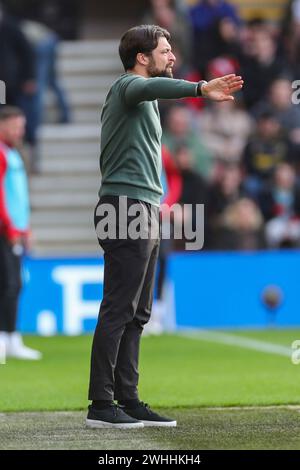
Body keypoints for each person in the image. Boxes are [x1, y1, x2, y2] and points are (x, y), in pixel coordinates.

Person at [87, 24, 243, 430]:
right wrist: (200, 89)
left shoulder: (147, 96)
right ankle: (101, 404)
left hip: (144, 208)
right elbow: (149, 90)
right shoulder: (128, 86)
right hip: (124, 208)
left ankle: (128, 398)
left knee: (138, 313)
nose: (172, 56)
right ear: (143, 57)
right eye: (165, 50)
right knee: (119, 308)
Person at [0, 106, 42, 360]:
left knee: (13, 283)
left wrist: (25, 227)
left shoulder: (13, 153)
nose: (20, 131)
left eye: (22, 126)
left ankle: (11, 337)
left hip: (15, 228)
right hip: (5, 230)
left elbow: (17, 196)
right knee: (9, 283)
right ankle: (6, 339)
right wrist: (11, 226)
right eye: (16, 126)